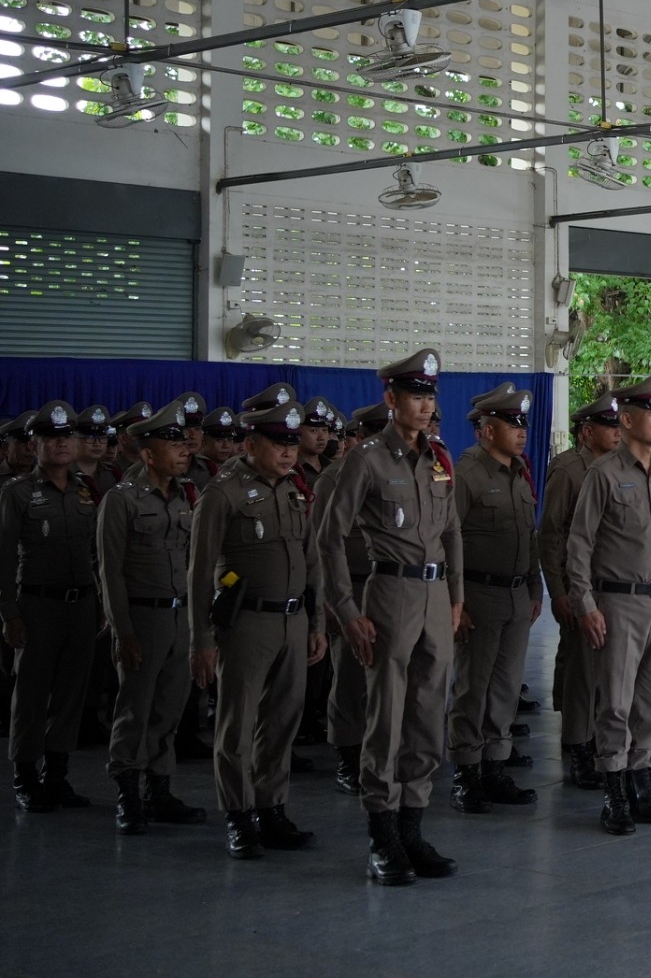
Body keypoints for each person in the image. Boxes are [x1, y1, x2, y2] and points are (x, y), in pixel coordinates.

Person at [311, 349, 463, 887]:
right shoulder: (367, 459)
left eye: (430, 396)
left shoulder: (439, 458)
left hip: (436, 596)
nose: (425, 406)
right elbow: (329, 539)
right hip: (390, 592)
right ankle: (382, 835)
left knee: (427, 715)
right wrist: (346, 610)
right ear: (391, 399)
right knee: (387, 717)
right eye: (415, 396)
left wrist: (457, 596)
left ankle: (413, 829)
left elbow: (452, 532)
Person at [190, 400, 323, 859]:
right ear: (250, 444)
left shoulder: (295, 490)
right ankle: (239, 815)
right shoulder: (222, 493)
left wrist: (316, 621)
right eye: (278, 443)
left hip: (293, 620)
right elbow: (200, 571)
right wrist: (201, 639)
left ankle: (271, 808)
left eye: (292, 443)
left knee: (282, 722)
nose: (288, 452)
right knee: (238, 725)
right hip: (246, 623)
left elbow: (311, 559)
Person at [563, 374, 651, 834]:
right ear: (628, 419)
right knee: (615, 703)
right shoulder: (604, 474)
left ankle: (643, 788)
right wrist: (585, 604)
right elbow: (579, 544)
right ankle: (614, 793)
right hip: (618, 602)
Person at [96, 402, 207, 834]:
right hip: (142, 618)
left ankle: (158, 791)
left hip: (181, 617)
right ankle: (127, 793)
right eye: (173, 445)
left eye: (184, 445)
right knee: (134, 710)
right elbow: (110, 571)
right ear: (147, 454)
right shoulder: (121, 499)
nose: (184, 452)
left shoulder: (186, 496)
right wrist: (122, 630)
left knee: (168, 710)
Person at [0, 402, 101, 812]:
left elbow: (96, 554)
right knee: (30, 694)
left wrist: (100, 604)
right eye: (52, 437)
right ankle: (25, 777)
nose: (62, 444)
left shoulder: (85, 490)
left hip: (81, 604)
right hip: (37, 606)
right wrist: (9, 613)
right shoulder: (18, 492)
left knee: (70, 695)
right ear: (35, 445)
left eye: (67, 437)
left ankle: (56, 776)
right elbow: (4, 558)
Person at [449, 384, 541, 814]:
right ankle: (466, 773)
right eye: (512, 424)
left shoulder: (519, 472)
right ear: (488, 430)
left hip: (516, 593)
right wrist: (456, 601)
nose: (522, 432)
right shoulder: (466, 474)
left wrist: (535, 587)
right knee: (473, 687)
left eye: (523, 424)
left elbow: (530, 536)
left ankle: (495, 767)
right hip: (479, 594)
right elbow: (445, 541)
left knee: (505, 688)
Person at [537, 394, 621, 790]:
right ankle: (578, 746)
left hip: (611, 583)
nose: (617, 433)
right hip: (578, 585)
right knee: (581, 672)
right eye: (610, 426)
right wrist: (559, 591)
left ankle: (598, 741)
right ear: (587, 432)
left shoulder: (617, 467)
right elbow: (552, 534)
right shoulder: (569, 469)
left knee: (605, 672)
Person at [325, 402, 388, 797]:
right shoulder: (334, 479)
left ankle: (381, 752)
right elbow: (320, 546)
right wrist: (332, 600)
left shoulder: (402, 473)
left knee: (385, 678)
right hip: (351, 588)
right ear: (358, 438)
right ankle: (348, 755)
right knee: (350, 676)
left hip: (390, 588)